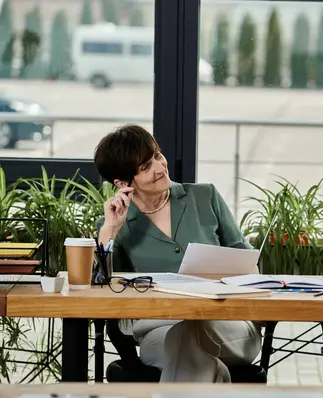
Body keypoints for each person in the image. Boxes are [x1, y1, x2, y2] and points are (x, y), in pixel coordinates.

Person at [93, 124, 262, 383]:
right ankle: (216, 378)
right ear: (122, 183)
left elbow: (250, 266)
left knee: (184, 340)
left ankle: (214, 375)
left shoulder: (205, 196)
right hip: (159, 329)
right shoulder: (116, 226)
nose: (160, 168)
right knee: (184, 344)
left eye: (158, 156)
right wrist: (110, 231)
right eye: (145, 167)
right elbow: (101, 289)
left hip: (227, 325)